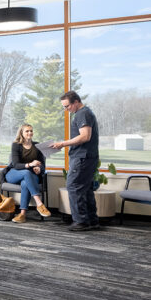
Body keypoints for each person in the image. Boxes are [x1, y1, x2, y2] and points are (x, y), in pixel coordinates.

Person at [51, 90, 100, 231]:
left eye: (67, 106)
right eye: (64, 107)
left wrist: (63, 143)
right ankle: (91, 220)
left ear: (76, 102)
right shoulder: (86, 112)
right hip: (87, 157)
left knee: (73, 186)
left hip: (82, 157)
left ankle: (81, 221)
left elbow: (85, 137)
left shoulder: (82, 113)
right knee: (85, 189)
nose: (66, 110)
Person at [3, 124, 50, 223]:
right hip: (14, 173)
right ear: (21, 133)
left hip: (31, 175)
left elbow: (42, 165)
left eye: (31, 131)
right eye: (27, 131)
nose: (30, 133)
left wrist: (39, 168)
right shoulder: (16, 145)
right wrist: (30, 164)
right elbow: (15, 164)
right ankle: (39, 203)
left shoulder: (37, 146)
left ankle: (22, 215)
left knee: (25, 183)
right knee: (25, 172)